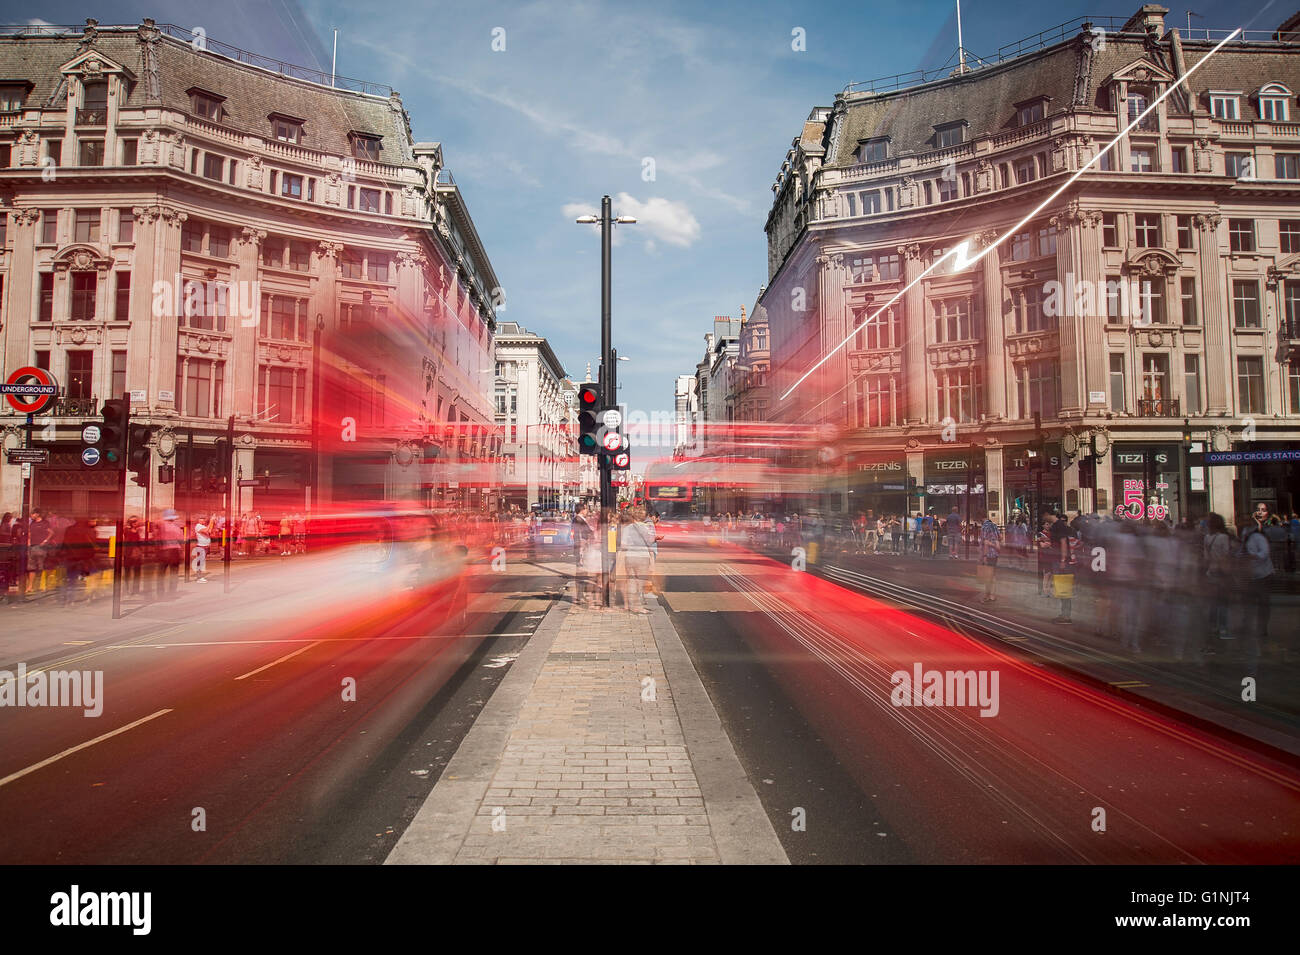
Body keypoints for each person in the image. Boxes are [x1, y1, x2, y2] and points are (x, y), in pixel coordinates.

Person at [1202, 513, 1234, 646]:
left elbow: (1205, 557)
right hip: (1222, 573)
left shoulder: (1207, 538)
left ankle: (1212, 626)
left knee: (1213, 603)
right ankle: (1223, 629)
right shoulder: (1223, 537)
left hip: (1211, 572)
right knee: (1223, 603)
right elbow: (1226, 556)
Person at [617, 506, 655, 614]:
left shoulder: (628, 528)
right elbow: (651, 542)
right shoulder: (648, 527)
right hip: (643, 557)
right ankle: (639, 606)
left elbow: (623, 544)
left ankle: (631, 605)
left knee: (631, 581)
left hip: (630, 556)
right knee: (640, 583)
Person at [571, 503, 596, 607]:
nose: (587, 511)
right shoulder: (578, 520)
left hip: (581, 548)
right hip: (581, 549)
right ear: (582, 510)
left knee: (581, 572)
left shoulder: (578, 519)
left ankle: (580, 596)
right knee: (580, 572)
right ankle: (579, 596)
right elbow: (587, 533)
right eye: (586, 509)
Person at [157, 509, 185, 597]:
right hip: (175, 551)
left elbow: (157, 538)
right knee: (174, 573)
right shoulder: (176, 528)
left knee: (161, 573)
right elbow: (181, 541)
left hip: (164, 551)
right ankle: (172, 592)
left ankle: (160, 592)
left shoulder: (161, 527)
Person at [978, 516, 1001, 603]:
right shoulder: (994, 525)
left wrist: (983, 556)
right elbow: (1000, 537)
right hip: (995, 553)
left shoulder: (984, 527)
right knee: (993, 574)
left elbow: (985, 542)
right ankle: (992, 595)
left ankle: (986, 595)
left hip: (988, 554)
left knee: (987, 575)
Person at [193, 515, 212, 583]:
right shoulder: (198, 526)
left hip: (205, 546)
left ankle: (200, 576)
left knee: (202, 562)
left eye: (204, 519)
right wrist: (211, 521)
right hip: (201, 546)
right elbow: (206, 530)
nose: (203, 520)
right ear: (198, 520)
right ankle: (199, 577)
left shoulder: (203, 526)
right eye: (201, 519)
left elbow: (209, 531)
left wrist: (211, 523)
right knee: (200, 562)